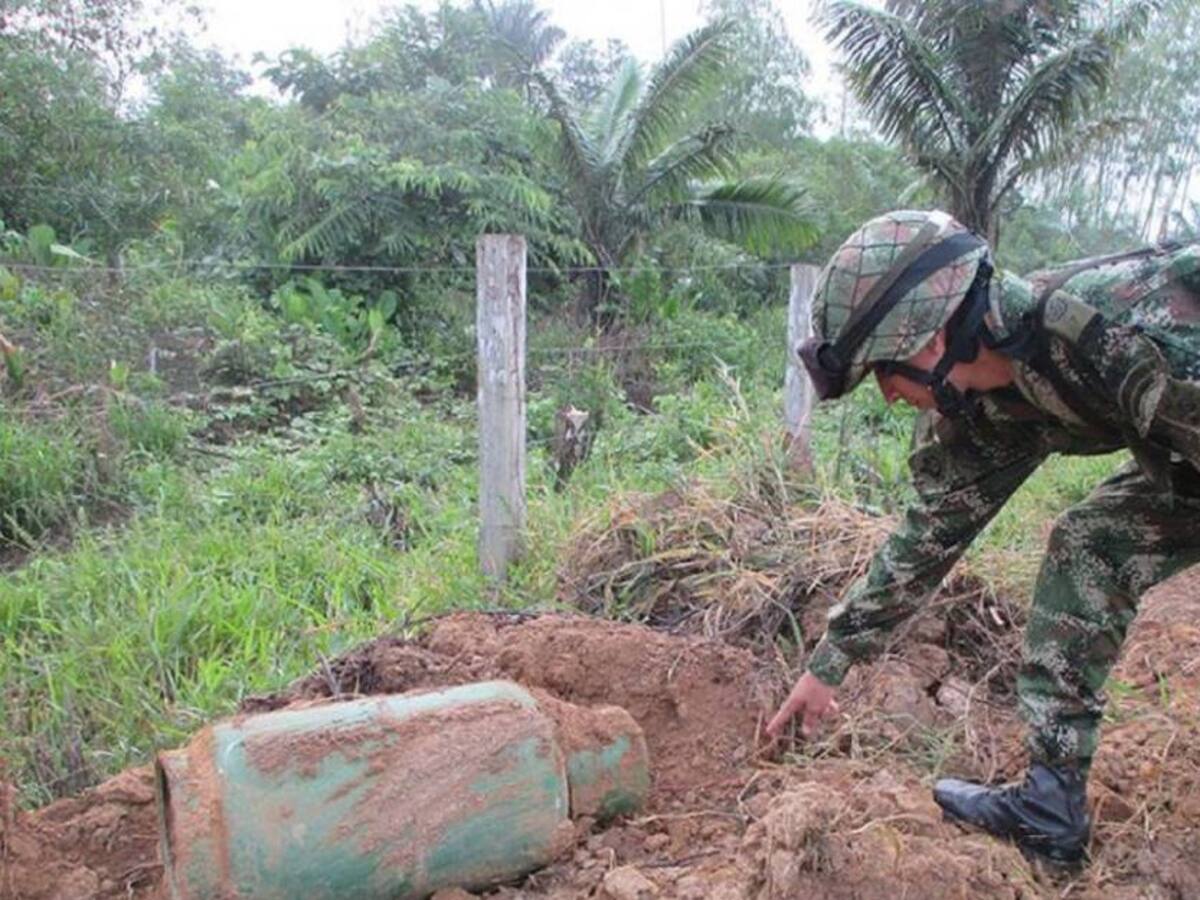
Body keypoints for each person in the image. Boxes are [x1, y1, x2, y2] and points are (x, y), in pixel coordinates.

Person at [764, 209, 1200, 867]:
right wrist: (831, 664)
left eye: (885, 373)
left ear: (932, 342)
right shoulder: (995, 401)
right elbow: (930, 536)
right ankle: (1050, 812)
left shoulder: (1126, 333)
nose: (886, 397)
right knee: (1090, 545)